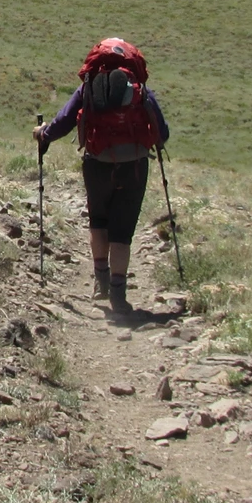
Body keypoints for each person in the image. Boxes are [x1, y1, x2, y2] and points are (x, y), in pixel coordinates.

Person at [33, 37, 170, 315]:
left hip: (97, 163)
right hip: (134, 165)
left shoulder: (88, 86)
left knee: (99, 221)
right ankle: (119, 296)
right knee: (122, 231)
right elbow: (162, 133)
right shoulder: (140, 89)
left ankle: (101, 282)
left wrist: (43, 134)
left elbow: (63, 121)